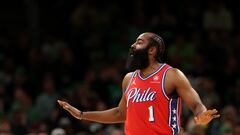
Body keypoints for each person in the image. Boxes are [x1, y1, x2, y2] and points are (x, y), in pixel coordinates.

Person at [58, 32, 220, 135]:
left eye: (139, 42)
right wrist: (81, 115)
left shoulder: (171, 75)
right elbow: (120, 114)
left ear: (152, 50)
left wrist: (201, 116)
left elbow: (197, 105)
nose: (133, 45)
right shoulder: (129, 78)